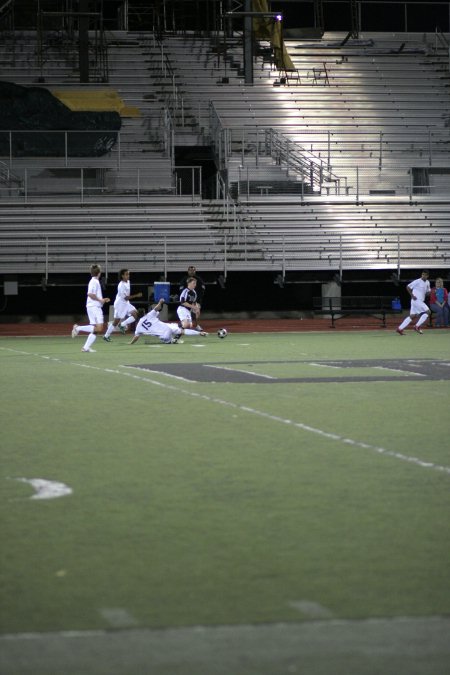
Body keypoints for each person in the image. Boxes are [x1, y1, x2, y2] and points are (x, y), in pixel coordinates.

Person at [72, 264, 110, 352]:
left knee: (95, 329)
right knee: (99, 328)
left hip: (92, 306)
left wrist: (102, 300)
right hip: (94, 307)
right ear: (99, 273)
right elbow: (90, 294)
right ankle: (77, 328)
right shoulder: (94, 282)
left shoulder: (94, 281)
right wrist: (100, 300)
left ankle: (85, 347)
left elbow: (94, 295)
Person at [103, 268, 143, 342]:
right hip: (120, 304)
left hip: (126, 303)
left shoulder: (128, 282)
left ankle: (122, 325)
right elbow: (125, 298)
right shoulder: (121, 285)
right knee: (116, 321)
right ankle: (106, 336)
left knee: (135, 314)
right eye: (126, 274)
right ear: (122, 276)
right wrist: (136, 295)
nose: (128, 276)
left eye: (128, 274)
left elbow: (127, 298)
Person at [396, 270, 431, 335]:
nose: (423, 276)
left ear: (427, 276)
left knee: (412, 316)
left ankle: (400, 329)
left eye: (425, 275)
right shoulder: (417, 281)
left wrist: (428, 293)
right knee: (428, 312)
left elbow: (427, 292)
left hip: (419, 301)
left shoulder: (427, 282)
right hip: (416, 300)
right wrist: (412, 295)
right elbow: (408, 287)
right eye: (422, 274)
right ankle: (416, 326)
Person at [178, 265, 206, 329]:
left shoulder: (198, 280)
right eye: (190, 270)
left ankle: (195, 325)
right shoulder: (185, 286)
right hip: (185, 303)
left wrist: (196, 305)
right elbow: (183, 301)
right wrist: (193, 306)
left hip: (194, 300)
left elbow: (202, 290)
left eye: (193, 270)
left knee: (196, 312)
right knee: (186, 324)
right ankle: (181, 324)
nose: (191, 272)